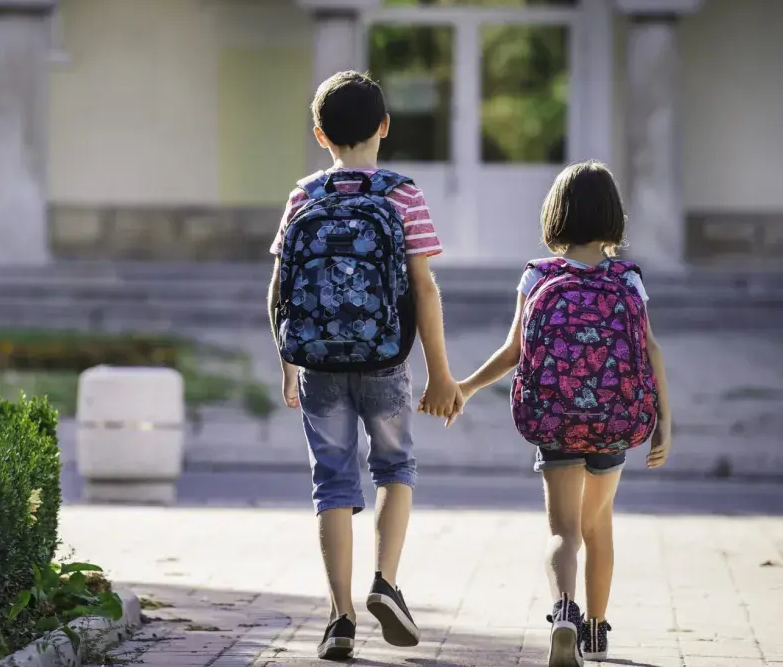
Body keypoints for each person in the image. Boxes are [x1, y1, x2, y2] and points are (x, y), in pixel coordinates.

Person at [267, 70, 462, 661]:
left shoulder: (305, 196)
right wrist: (440, 373)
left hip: (319, 364)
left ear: (319, 133)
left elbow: (278, 287)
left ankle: (340, 618)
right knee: (396, 467)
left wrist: (288, 361)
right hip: (385, 361)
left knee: (332, 482)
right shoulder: (402, 195)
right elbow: (424, 291)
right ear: (384, 126)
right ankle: (386, 582)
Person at [454, 161, 673, 666]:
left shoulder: (538, 276)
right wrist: (665, 422)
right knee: (599, 528)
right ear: (614, 216)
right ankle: (596, 632)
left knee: (562, 533)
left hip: (555, 420)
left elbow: (514, 352)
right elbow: (651, 351)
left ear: (556, 215)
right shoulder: (629, 278)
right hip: (615, 422)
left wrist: (465, 386)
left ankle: (564, 613)